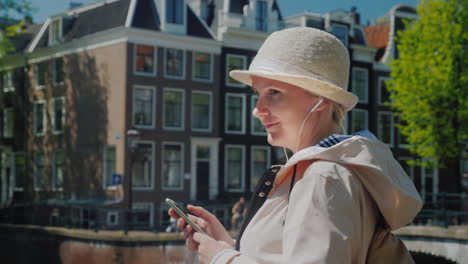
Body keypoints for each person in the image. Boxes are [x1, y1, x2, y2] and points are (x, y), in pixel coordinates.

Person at [168, 27, 423, 264]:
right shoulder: (328, 171)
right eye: (258, 94)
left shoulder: (323, 177)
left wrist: (222, 258)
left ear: (321, 98)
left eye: (274, 92)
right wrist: (228, 245)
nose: (257, 110)